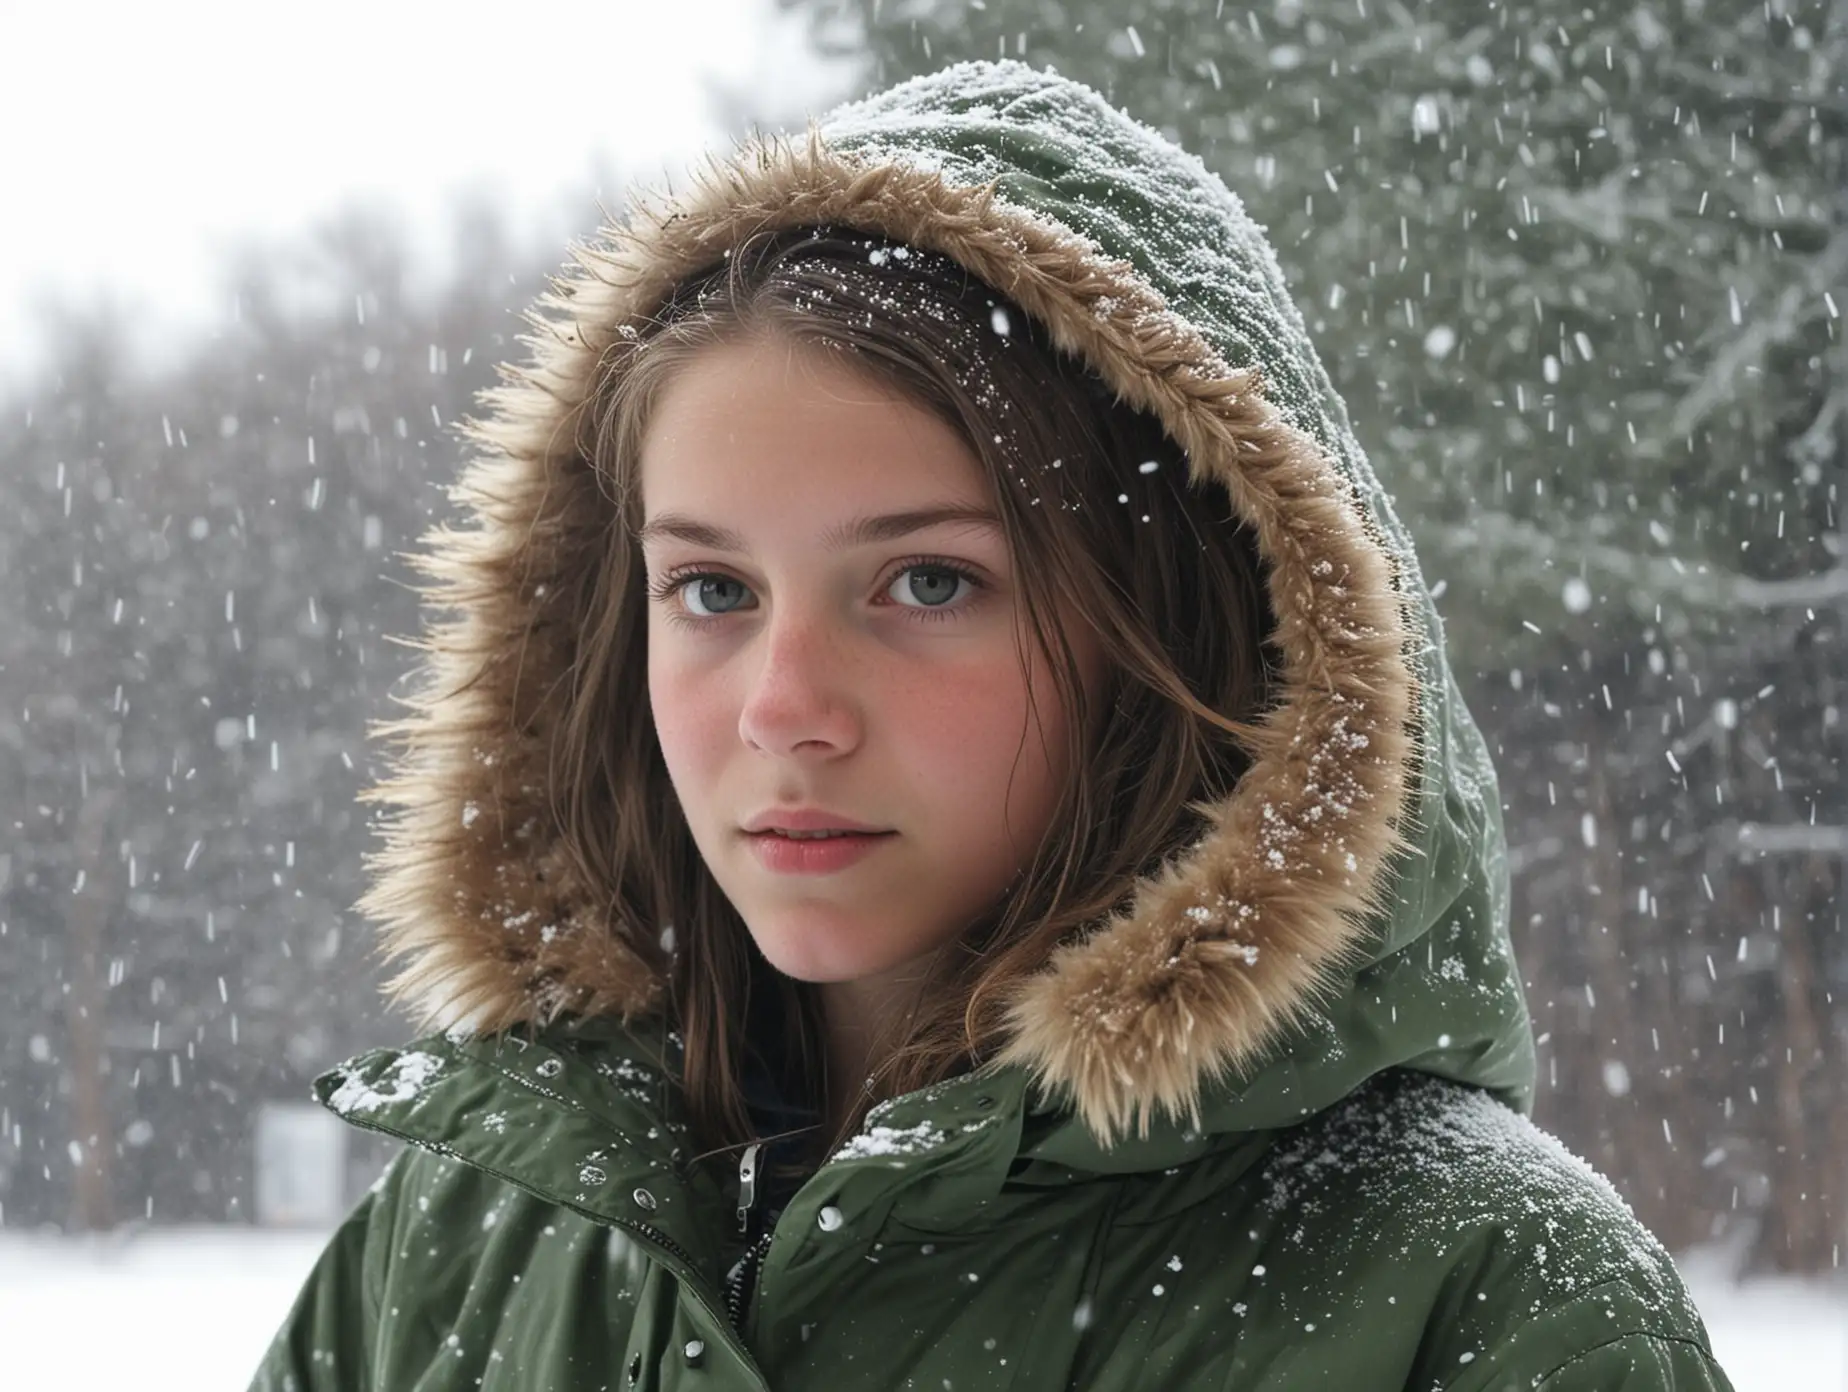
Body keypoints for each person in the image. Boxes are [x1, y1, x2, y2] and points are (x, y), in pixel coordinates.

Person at [251, 59, 1733, 1392]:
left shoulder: (1478, 1293)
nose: (784, 708)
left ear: (1175, 622)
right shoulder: (467, 1253)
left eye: (929, 581)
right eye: (710, 588)